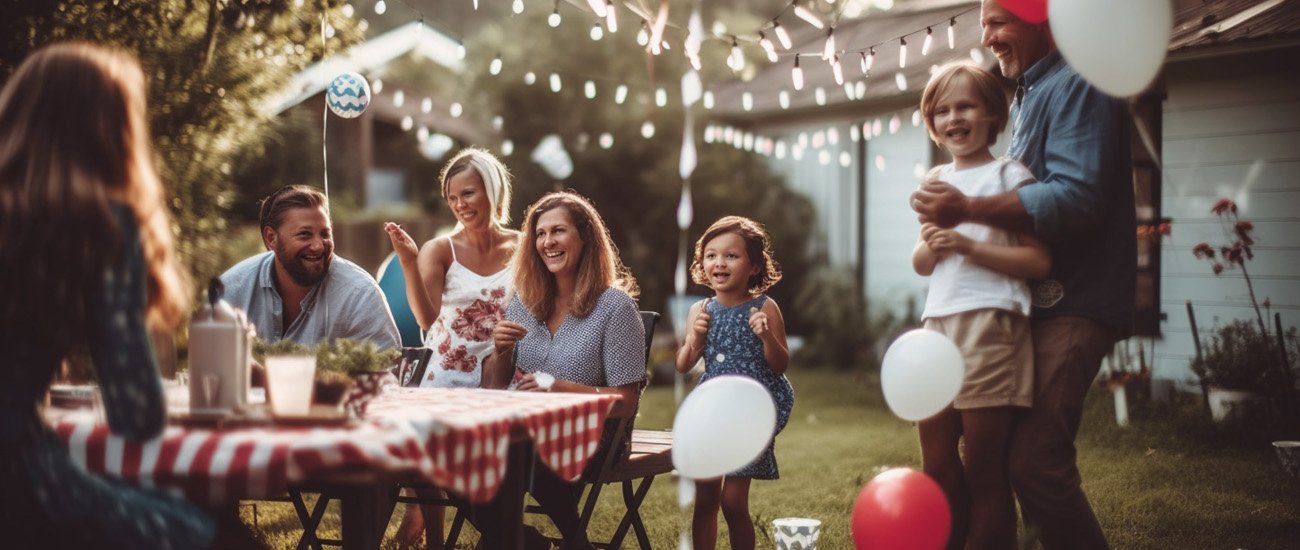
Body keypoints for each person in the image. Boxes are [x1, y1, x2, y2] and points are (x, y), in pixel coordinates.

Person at [911, 1, 1136, 547]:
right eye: (984, 23)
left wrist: (964, 213)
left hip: (1073, 300)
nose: (986, 36)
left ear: (1043, 16)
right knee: (997, 463)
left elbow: (1076, 200)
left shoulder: (1081, 82)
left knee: (1034, 464)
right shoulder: (1034, 90)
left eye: (997, 21)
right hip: (1027, 304)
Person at [0, 42, 216, 549]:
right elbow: (135, 413)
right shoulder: (97, 225)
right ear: (111, 131)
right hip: (17, 479)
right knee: (202, 528)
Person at [911, 62, 1051, 550]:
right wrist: (934, 241)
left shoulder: (1009, 175)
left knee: (982, 473)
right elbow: (922, 263)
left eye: (966, 105)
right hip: (936, 330)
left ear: (993, 114)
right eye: (942, 110)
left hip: (991, 327)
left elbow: (1037, 260)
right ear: (932, 123)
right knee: (938, 466)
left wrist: (967, 245)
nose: (954, 118)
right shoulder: (936, 178)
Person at [479, 191, 646, 550]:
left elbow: (626, 403)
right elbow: (493, 388)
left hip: (596, 434)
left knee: (521, 454)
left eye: (558, 231)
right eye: (540, 234)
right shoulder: (525, 300)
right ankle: (527, 541)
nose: (547, 242)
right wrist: (501, 350)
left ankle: (573, 540)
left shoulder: (615, 307)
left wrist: (558, 388)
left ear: (584, 238)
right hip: (528, 428)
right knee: (465, 456)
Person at [381, 147, 519, 545]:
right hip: (445, 372)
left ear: (493, 191)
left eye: (469, 193)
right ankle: (436, 539)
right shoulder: (440, 249)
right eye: (453, 197)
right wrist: (408, 261)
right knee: (423, 455)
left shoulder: (524, 245)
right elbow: (426, 319)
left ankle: (443, 522)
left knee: (491, 462)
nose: (460, 205)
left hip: (501, 374)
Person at [675, 216, 792, 550]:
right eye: (711, 255)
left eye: (731, 256)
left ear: (754, 266)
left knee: (733, 502)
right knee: (706, 499)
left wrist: (766, 335)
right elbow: (684, 365)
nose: (719, 263)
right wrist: (695, 337)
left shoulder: (765, 307)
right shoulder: (700, 309)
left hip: (749, 414)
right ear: (702, 263)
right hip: (711, 412)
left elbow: (780, 364)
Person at [220, 184, 400, 351]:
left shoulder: (360, 295)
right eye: (304, 235)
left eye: (325, 234)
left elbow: (386, 375)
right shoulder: (232, 289)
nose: (318, 246)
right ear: (271, 238)